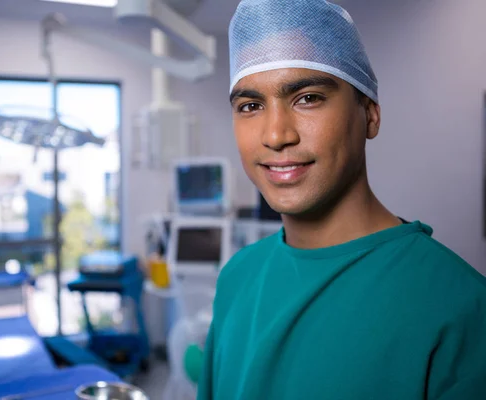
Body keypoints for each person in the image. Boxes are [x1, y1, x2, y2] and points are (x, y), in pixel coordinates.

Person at [197, 0, 486, 399]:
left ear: (370, 114)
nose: (276, 134)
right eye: (251, 106)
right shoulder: (237, 276)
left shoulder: (459, 308)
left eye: (308, 98)